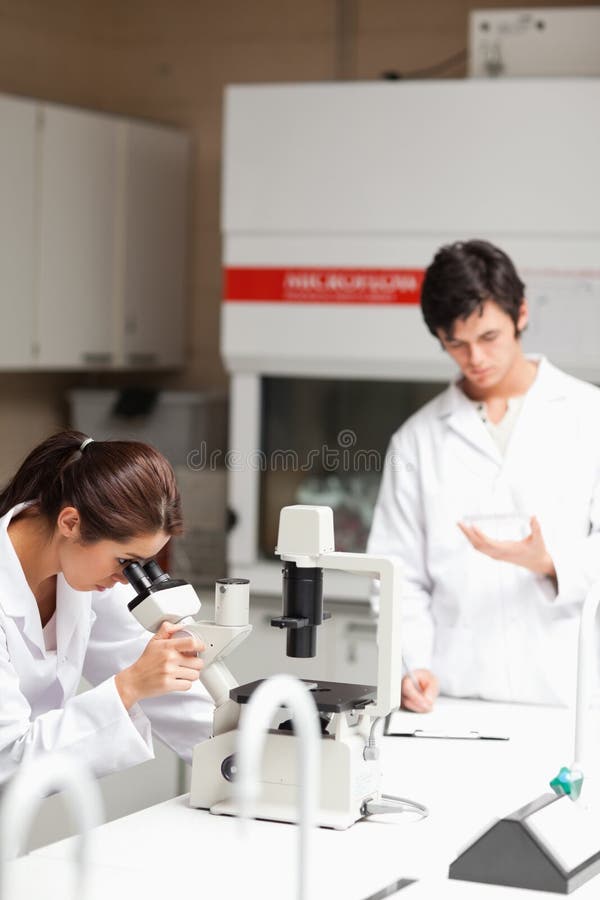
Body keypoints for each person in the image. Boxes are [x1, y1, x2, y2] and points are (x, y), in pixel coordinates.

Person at [367, 239, 600, 712]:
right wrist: (414, 665)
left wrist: (551, 561)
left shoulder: (587, 416)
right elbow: (397, 575)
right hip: (453, 695)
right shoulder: (416, 440)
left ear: (521, 315)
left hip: (566, 695)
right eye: (457, 343)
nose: (475, 358)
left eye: (489, 337)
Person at [0, 430, 214, 784]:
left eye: (141, 566)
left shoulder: (82, 568)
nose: (128, 579)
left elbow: (160, 680)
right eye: (126, 562)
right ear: (71, 522)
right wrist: (129, 686)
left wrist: (246, 757)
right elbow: (7, 760)